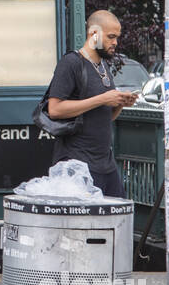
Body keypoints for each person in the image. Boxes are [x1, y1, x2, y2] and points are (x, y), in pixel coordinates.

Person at [46, 10, 137, 198]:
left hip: (105, 163)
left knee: (119, 217)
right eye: (111, 37)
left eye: (117, 37)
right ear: (94, 33)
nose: (115, 43)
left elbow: (105, 117)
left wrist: (120, 103)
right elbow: (54, 109)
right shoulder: (71, 63)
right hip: (76, 162)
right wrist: (103, 99)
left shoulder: (104, 67)